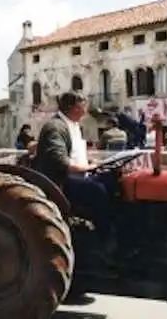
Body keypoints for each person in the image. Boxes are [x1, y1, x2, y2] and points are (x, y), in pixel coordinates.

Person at [32, 91, 115, 255]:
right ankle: (106, 240)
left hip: (77, 175)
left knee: (113, 182)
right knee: (98, 191)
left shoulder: (74, 125)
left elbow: (75, 154)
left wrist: (90, 163)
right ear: (72, 107)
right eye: (82, 105)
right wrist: (87, 168)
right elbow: (59, 161)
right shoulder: (55, 127)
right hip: (61, 182)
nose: (86, 109)